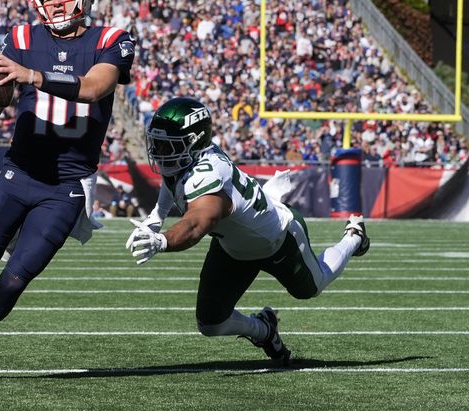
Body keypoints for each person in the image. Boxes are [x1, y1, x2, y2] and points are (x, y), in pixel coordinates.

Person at [0, 0, 136, 383]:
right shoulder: (22, 37)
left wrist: (32, 75)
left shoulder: (112, 39)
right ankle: (11, 231)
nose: (58, 4)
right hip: (18, 173)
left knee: (15, 278)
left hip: (66, 185)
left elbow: (94, 87)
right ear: (37, 1)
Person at [126, 97, 370, 365]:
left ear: (195, 142)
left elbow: (196, 223)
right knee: (210, 323)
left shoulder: (208, 174)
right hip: (233, 247)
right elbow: (171, 179)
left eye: (168, 145)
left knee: (311, 288)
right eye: (158, 144)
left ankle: (353, 237)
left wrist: (162, 240)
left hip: (278, 237)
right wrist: (156, 217)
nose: (160, 152)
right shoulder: (187, 160)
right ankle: (264, 330)